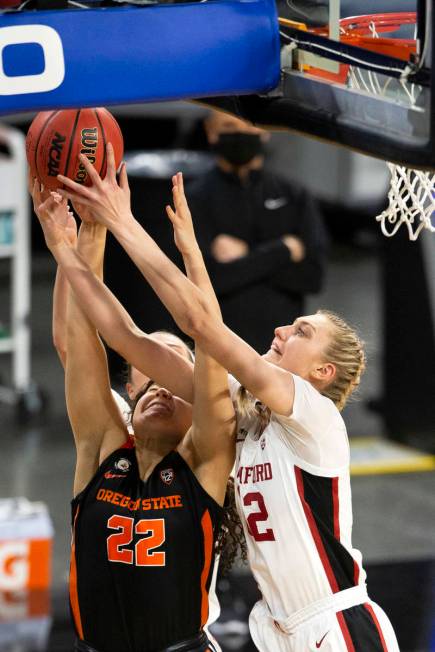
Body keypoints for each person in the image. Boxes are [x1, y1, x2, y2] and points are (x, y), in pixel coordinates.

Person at [55, 146, 400, 651]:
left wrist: (125, 222)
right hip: (278, 628)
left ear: (322, 372)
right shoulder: (244, 409)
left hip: (336, 620)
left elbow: (202, 327)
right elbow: (126, 337)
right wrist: (77, 242)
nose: (283, 328)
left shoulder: (314, 414)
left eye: (302, 331)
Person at [32, 182, 239, 652]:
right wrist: (88, 234)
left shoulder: (206, 460)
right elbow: (82, 339)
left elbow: (209, 338)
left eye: (175, 372)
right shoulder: (103, 446)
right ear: (130, 388)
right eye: (151, 375)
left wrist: (190, 254)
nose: (162, 386)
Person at [186, 110, 327, 353]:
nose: (241, 134)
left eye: (249, 125)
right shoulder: (193, 198)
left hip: (282, 352)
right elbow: (209, 280)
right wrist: (284, 250)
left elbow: (312, 276)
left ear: (264, 130)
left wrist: (246, 255)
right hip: (218, 348)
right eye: (229, 127)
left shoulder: (294, 194)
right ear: (211, 132)